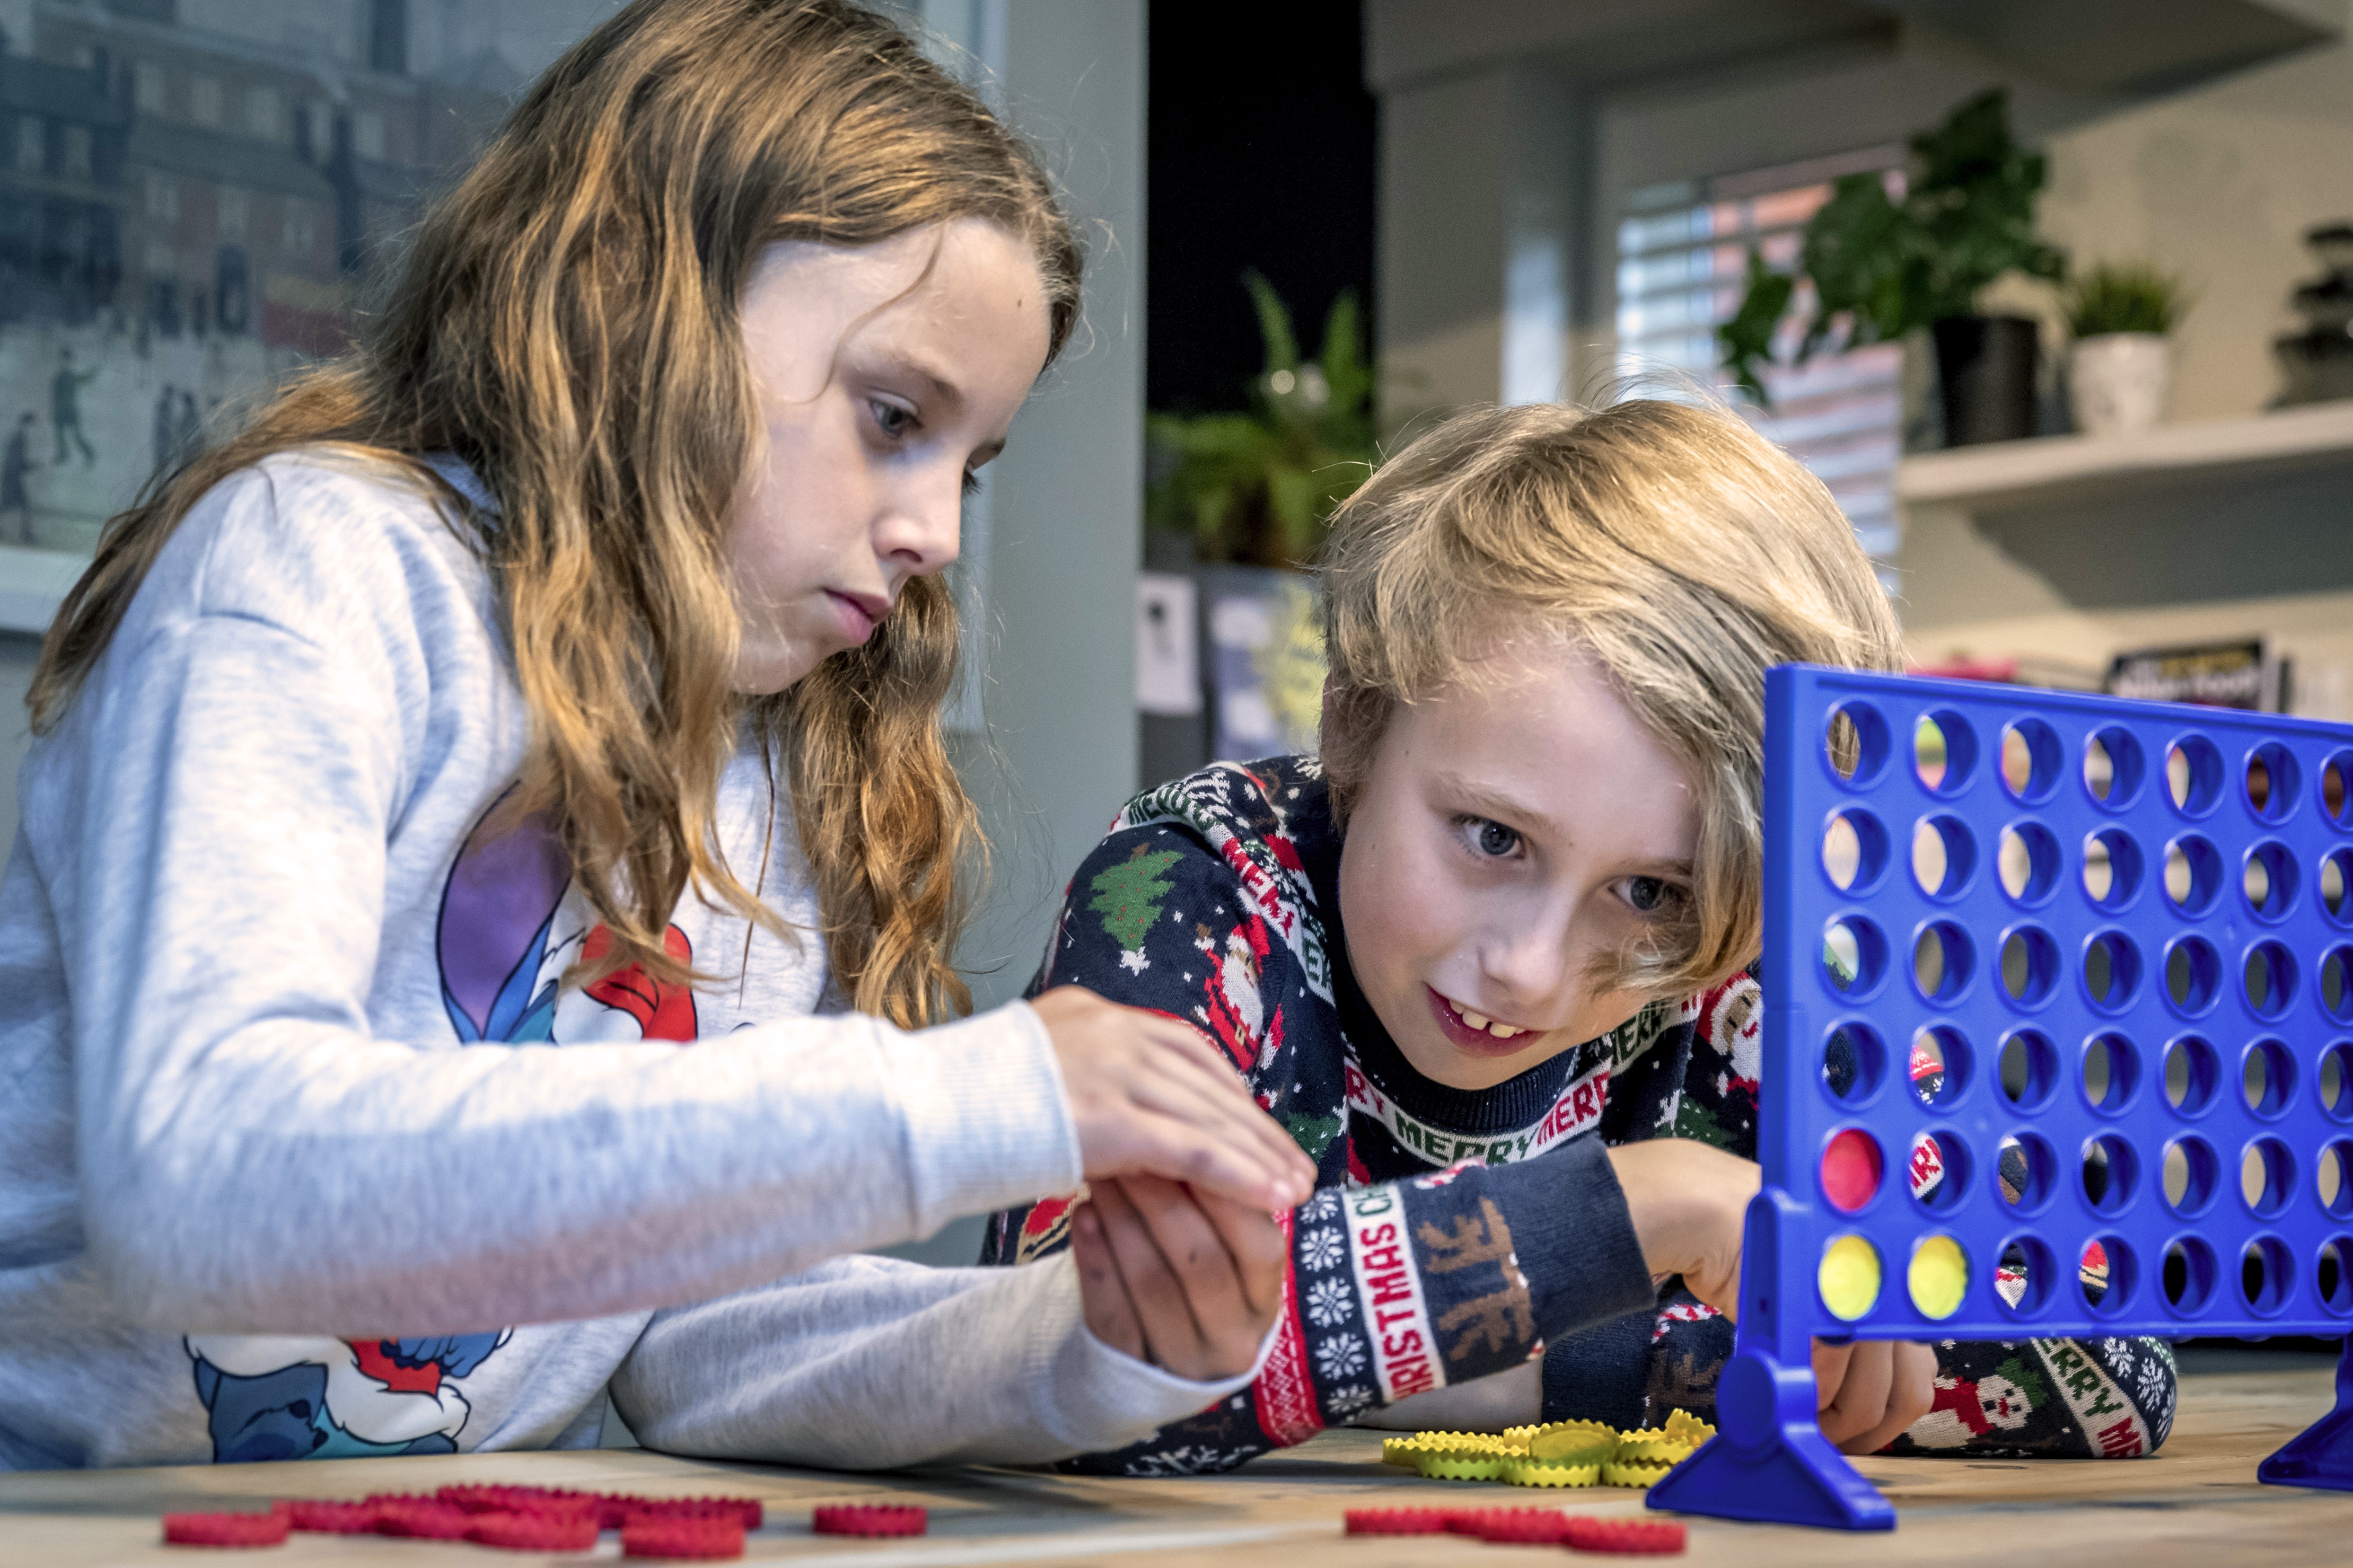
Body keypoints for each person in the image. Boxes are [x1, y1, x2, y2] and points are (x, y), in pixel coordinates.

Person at [0, 0, 1315, 1473]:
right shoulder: (315, 568)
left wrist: (1096, 1346)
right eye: (893, 416)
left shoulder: (768, 767)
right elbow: (207, 1170)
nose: (934, 531)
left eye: (970, 466)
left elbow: (698, 1340)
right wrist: (963, 1093)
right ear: (637, 301)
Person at [983, 399, 2176, 1472]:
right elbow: (1061, 1353)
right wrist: (1642, 1213)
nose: (1531, 967)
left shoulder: (1745, 972)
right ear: (1355, 723)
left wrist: (1568, 1362)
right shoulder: (1193, 897)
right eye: (1490, 837)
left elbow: (2107, 1353)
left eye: (1648, 892)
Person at [51, 348, 96, 468]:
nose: (63, 362)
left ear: (69, 361)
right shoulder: (59, 377)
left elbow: (82, 379)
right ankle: (63, 455)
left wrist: (92, 374)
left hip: (70, 411)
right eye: (61, 360)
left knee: (76, 436)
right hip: (61, 411)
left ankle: (90, 455)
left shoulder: (68, 376)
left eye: (66, 360)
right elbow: (54, 397)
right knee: (60, 436)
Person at [2, 413, 34, 543]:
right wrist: (30, 466)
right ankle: (27, 534)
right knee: (20, 506)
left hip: (11, 479)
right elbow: (14, 462)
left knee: (12, 506)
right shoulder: (19, 438)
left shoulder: (18, 437)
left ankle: (26, 534)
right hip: (12, 480)